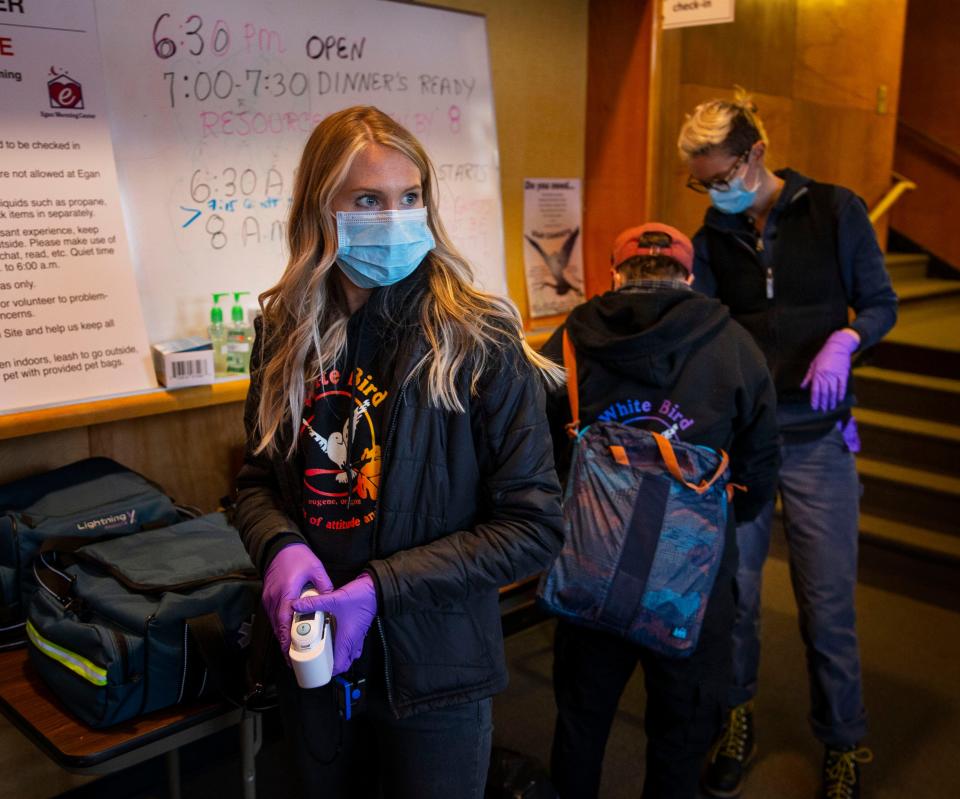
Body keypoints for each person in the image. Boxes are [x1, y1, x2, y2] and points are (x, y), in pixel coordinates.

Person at [232, 105, 565, 799]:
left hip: (434, 676)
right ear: (321, 210)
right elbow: (258, 479)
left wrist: (383, 589)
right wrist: (280, 547)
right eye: (368, 200)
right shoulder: (285, 331)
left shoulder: (477, 338)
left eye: (410, 197)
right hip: (314, 663)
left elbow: (533, 527)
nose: (396, 217)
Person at [678, 89, 898, 799]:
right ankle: (734, 717)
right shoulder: (713, 238)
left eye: (722, 176)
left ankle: (844, 741)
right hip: (743, 448)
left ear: (757, 153)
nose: (716, 193)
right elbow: (706, 332)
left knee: (826, 602)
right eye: (703, 182)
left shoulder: (836, 210)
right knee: (735, 598)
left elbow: (881, 303)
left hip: (817, 444)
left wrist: (846, 338)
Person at [541, 223, 780, 799]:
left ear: (616, 274)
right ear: (689, 277)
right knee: (680, 735)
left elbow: (538, 454)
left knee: (581, 721)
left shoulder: (569, 343)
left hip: (590, 574)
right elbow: (762, 464)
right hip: (690, 584)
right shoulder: (734, 345)